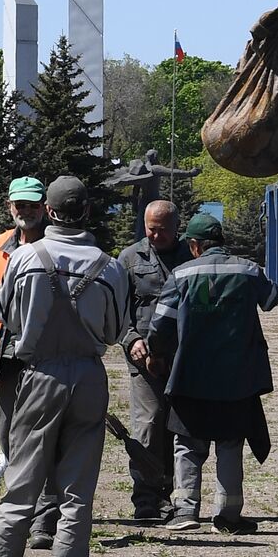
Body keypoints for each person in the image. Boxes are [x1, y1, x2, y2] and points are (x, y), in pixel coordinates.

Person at [0, 175, 130, 557]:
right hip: (88, 378)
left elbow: (7, 318)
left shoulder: (24, 258)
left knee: (21, 485)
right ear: (86, 211)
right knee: (78, 492)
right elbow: (116, 332)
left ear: (48, 211)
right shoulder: (110, 267)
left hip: (39, 375)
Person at [147, 213, 278, 534]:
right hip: (237, 380)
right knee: (230, 444)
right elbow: (273, 299)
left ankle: (185, 511)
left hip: (191, 376)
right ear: (220, 242)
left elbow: (160, 325)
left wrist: (156, 353)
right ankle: (228, 517)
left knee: (187, 445)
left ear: (194, 246)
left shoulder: (181, 274)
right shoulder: (248, 270)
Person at [0, 176, 61, 548]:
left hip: (44, 358)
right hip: (6, 358)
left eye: (32, 205)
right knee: (9, 436)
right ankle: (21, 511)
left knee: (44, 440)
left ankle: (44, 520)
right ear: (10, 206)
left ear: (44, 207)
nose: (25, 211)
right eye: (20, 205)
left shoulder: (53, 244)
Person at [116, 198, 192, 522]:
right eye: (151, 229)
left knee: (178, 427)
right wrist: (131, 339)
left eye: (162, 230)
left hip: (183, 358)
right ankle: (146, 499)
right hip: (143, 358)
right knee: (147, 426)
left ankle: (174, 498)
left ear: (177, 227)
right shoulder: (129, 259)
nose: (156, 236)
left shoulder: (191, 257)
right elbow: (118, 311)